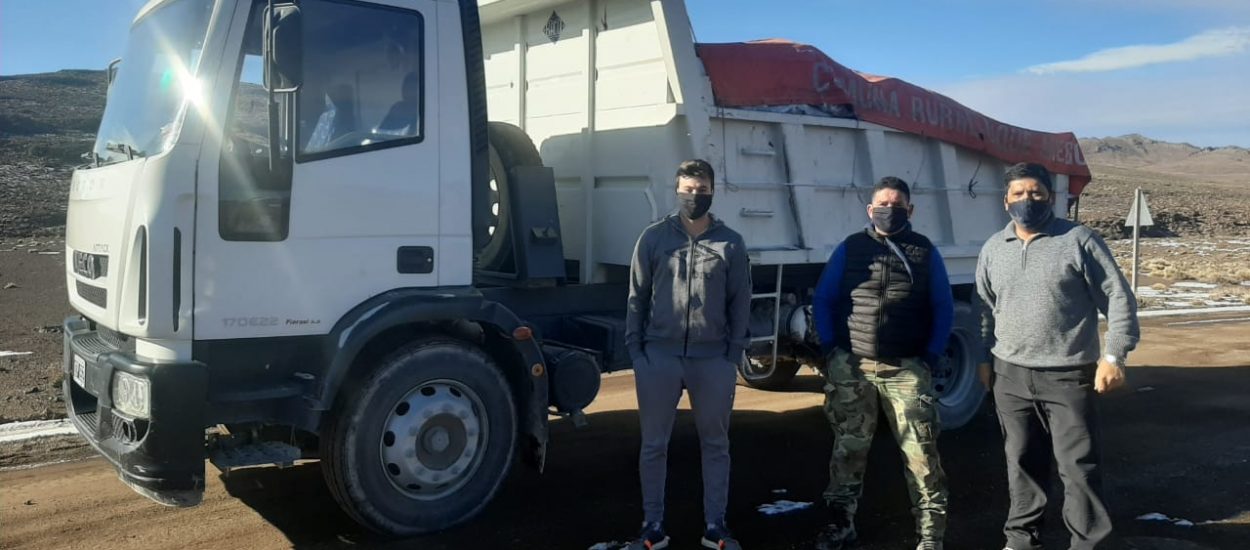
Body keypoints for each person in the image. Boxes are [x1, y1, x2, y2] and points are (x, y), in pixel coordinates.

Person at [976, 162, 1140, 550]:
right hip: (1010, 375)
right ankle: (1020, 541)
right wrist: (984, 358)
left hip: (1068, 375)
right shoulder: (993, 248)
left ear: (1051, 196)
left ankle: (1088, 543)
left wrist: (1114, 355)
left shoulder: (1078, 239)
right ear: (1005, 202)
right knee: (1020, 465)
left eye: (1035, 192)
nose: (1027, 200)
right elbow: (983, 307)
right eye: (1018, 194)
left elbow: (1118, 297)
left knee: (1078, 468)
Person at [810, 176, 954, 550]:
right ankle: (840, 526)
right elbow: (824, 299)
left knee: (922, 455)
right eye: (882, 204)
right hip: (852, 365)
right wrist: (830, 349)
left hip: (906, 369)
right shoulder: (851, 248)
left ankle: (930, 537)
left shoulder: (924, 252)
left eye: (897, 204)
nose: (889, 210)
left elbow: (943, 306)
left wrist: (930, 356)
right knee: (848, 449)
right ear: (869, 209)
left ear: (910, 209)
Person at [623, 159, 752, 550]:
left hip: (713, 361)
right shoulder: (654, 238)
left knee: (715, 444)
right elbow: (636, 295)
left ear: (713, 191)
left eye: (701, 189)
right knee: (653, 445)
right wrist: (637, 350)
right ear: (676, 189)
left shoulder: (730, 242)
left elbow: (740, 301)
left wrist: (732, 355)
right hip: (659, 358)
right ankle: (653, 525)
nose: (694, 196)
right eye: (687, 189)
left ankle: (716, 526)